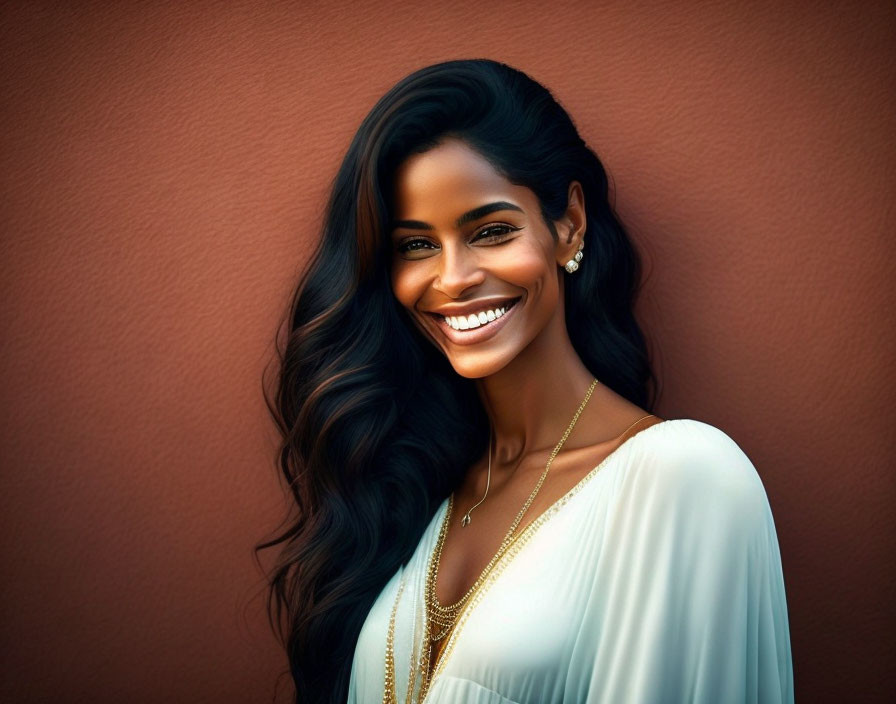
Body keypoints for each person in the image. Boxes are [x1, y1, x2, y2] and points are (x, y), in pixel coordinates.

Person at [257, 59, 794, 704]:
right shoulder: (421, 488)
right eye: (416, 246)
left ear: (567, 224)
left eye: (491, 231)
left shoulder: (685, 478)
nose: (453, 278)